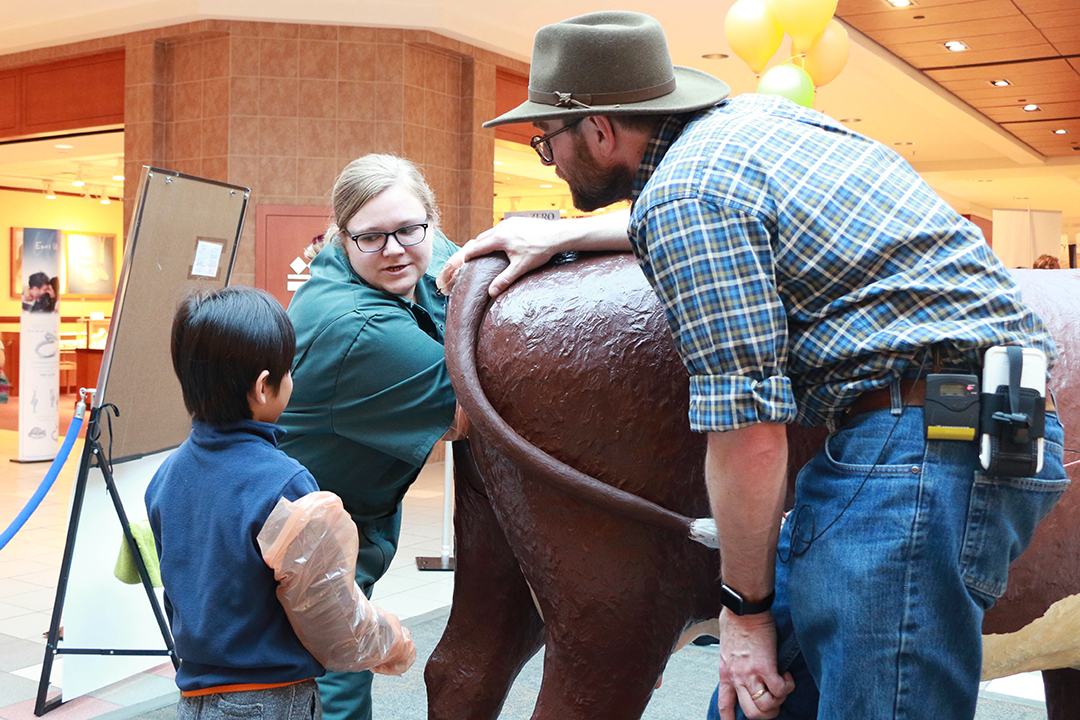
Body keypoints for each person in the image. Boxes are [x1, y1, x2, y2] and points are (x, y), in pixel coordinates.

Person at [445, 12, 1068, 720]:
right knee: (754, 706)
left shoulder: (689, 196)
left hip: (922, 446)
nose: (549, 163)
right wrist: (576, 229)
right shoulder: (760, 123)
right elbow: (737, 209)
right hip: (981, 420)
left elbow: (750, 433)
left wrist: (743, 614)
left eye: (547, 144)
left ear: (598, 131)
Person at [145, 286, 413, 720]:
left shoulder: (167, 475)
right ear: (263, 387)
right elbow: (329, 614)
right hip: (271, 697)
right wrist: (392, 640)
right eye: (287, 372)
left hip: (193, 698)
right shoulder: (284, 484)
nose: (292, 380)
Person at [278, 154, 466, 720]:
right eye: (371, 237)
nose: (394, 249)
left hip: (349, 511)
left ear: (431, 221)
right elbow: (469, 417)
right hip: (303, 531)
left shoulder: (417, 248)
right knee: (333, 676)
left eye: (409, 229)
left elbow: (465, 262)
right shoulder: (356, 327)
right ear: (341, 238)